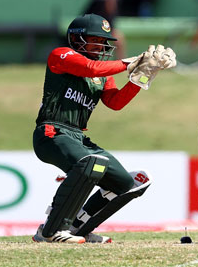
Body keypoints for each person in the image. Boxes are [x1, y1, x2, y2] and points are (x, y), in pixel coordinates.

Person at [32, 13, 175, 244]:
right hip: (51, 134)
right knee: (90, 162)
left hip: (77, 137)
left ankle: (79, 230)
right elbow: (91, 68)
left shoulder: (102, 75)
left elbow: (115, 103)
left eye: (104, 41)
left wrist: (142, 76)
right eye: (95, 40)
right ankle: (51, 231)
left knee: (129, 184)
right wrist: (132, 61)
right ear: (77, 39)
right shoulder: (61, 55)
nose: (101, 46)